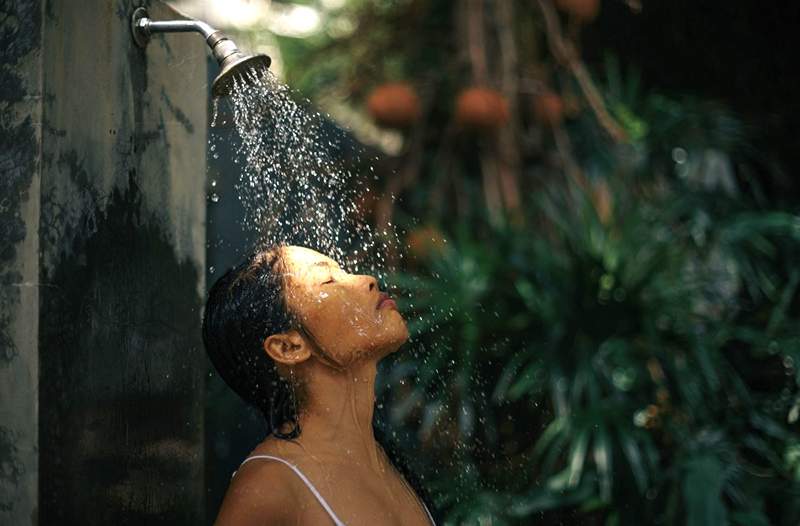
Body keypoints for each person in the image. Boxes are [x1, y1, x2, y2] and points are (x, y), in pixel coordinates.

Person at [203, 244, 435, 525]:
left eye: (343, 272)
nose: (367, 280)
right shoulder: (271, 484)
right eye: (328, 281)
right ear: (288, 347)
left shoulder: (387, 463)